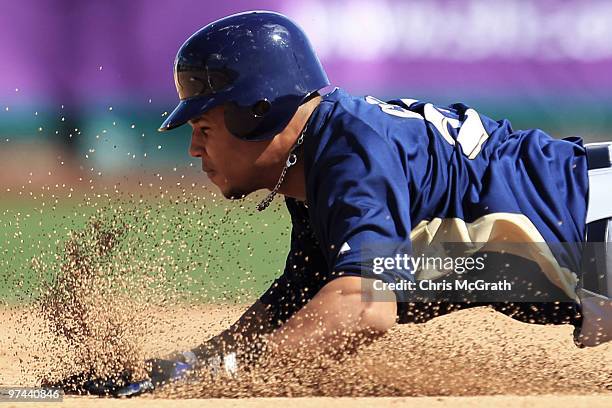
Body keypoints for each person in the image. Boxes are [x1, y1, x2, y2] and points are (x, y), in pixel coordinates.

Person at [59, 10, 612, 396]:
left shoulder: (351, 151)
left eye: (204, 124)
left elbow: (363, 306)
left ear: (257, 110)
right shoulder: (325, 157)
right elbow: (297, 305)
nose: (195, 145)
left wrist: (218, 381)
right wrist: (176, 371)